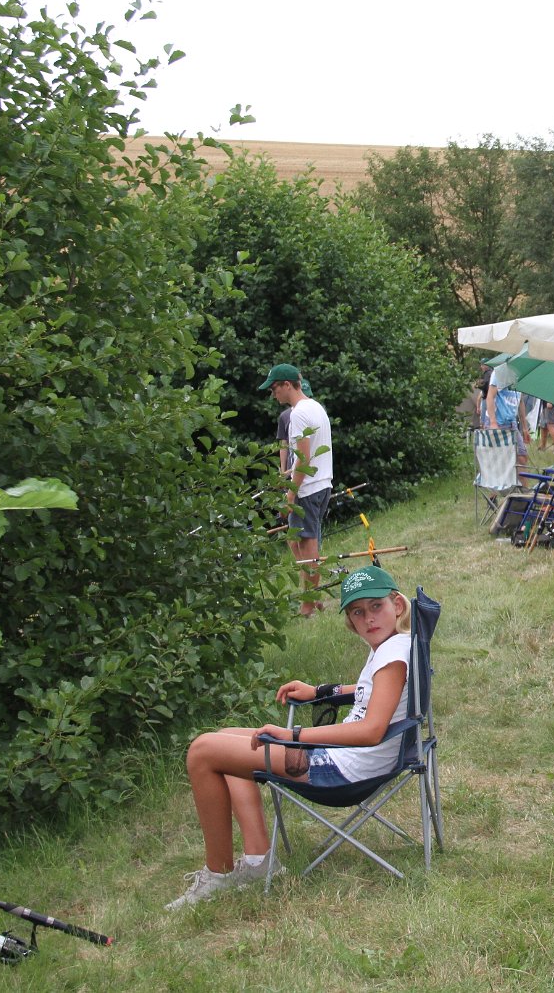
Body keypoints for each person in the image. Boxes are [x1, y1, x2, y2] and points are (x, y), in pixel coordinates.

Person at [165, 565, 413, 910]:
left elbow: (371, 731)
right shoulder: (398, 644)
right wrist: (320, 691)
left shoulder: (391, 654)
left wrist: (293, 736)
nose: (368, 618)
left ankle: (218, 875)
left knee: (202, 751)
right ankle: (258, 861)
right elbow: (371, 691)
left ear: (397, 605)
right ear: (350, 620)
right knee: (226, 738)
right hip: (354, 761)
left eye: (376, 606)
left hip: (344, 771)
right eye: (358, 612)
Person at [261, 363, 333, 615]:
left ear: (287, 385)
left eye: (274, 389)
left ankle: (307, 606)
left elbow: (303, 459)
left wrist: (290, 495)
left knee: (307, 545)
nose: (273, 394)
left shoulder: (299, 414)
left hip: (307, 489)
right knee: (297, 542)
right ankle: (313, 596)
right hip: (321, 484)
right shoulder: (315, 407)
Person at [485, 368, 529, 482]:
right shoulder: (500, 372)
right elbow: (490, 397)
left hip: (512, 423)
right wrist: (493, 423)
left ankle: (523, 490)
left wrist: (525, 428)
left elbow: (521, 402)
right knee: (499, 461)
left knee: (522, 457)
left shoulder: (521, 373)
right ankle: (496, 490)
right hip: (498, 422)